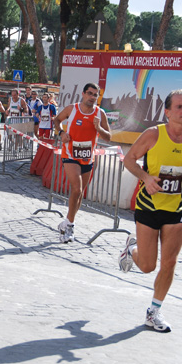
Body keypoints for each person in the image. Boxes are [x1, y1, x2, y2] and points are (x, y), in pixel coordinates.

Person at [118, 89, 182, 333]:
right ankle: (131, 248)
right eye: (180, 107)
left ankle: (154, 312)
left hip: (176, 210)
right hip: (149, 207)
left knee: (169, 262)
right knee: (148, 265)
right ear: (168, 112)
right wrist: (145, 177)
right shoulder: (153, 134)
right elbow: (129, 159)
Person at [53, 82, 111, 243]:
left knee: (79, 194)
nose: (92, 97)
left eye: (95, 95)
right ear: (83, 94)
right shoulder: (72, 109)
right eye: (90, 93)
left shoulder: (100, 114)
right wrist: (62, 133)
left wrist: (99, 128)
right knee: (76, 188)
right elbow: (56, 120)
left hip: (87, 157)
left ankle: (67, 222)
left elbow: (109, 137)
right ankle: (70, 226)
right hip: (70, 154)